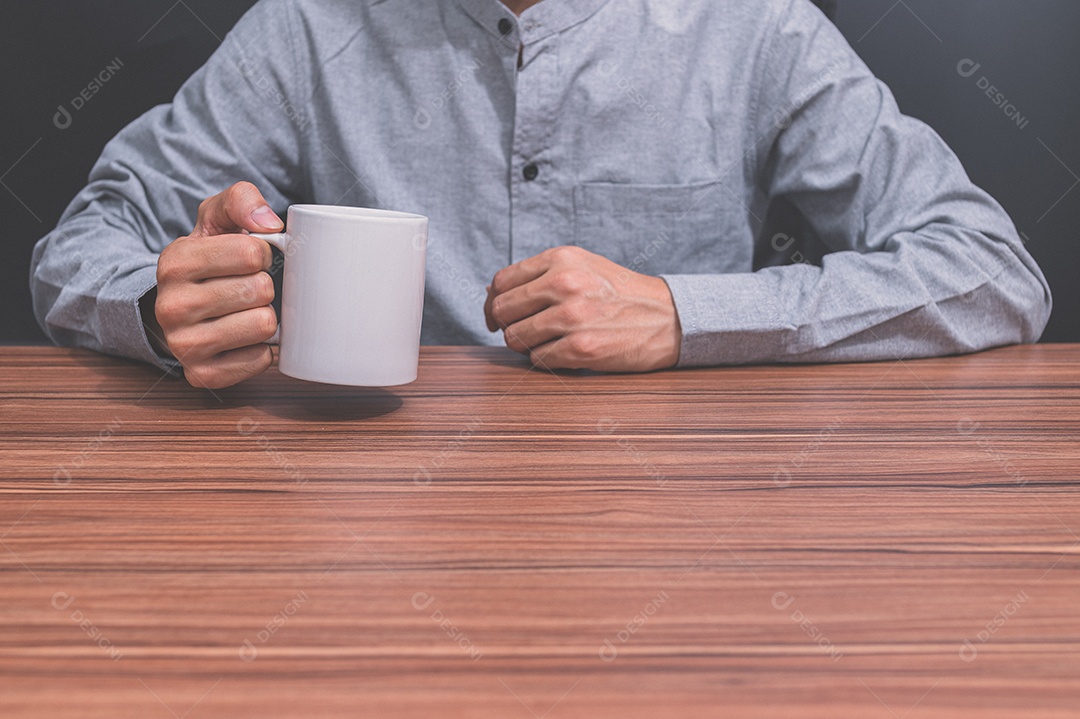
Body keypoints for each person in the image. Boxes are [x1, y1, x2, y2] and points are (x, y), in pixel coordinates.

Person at [30, 0, 1051, 389]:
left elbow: (993, 272)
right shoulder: (306, 27)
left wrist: (687, 313)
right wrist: (165, 312)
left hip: (688, 535)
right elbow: (81, 246)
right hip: (351, 523)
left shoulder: (755, 28)